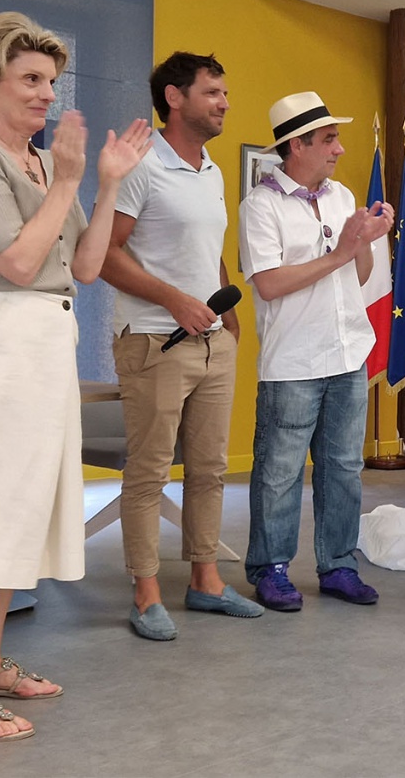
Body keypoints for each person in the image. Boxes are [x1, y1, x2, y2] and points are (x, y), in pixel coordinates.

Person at [0, 11, 150, 740]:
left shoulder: (45, 167)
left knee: (17, 508)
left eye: (52, 82)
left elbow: (84, 267)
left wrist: (106, 185)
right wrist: (69, 180)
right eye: (30, 79)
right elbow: (20, 263)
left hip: (45, 342)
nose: (46, 94)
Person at [99, 52, 261, 641]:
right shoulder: (142, 165)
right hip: (153, 340)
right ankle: (145, 594)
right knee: (148, 472)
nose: (224, 103)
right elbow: (105, 254)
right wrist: (175, 301)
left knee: (211, 470)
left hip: (213, 343)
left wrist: (228, 318)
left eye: (224, 93)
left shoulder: (211, 171)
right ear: (174, 97)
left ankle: (205, 581)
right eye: (212, 92)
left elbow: (207, 253)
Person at [238, 91, 394, 611]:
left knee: (344, 468)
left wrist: (367, 240)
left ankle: (339, 565)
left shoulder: (342, 196)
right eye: (329, 139)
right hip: (293, 361)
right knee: (279, 473)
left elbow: (360, 276)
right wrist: (342, 251)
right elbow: (270, 284)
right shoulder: (260, 206)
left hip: (347, 353)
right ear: (297, 145)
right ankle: (270, 569)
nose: (339, 149)